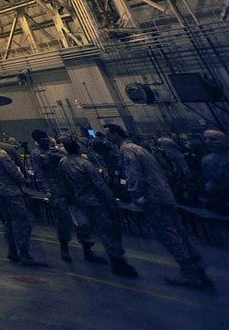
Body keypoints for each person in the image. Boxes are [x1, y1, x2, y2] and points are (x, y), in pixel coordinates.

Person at [105, 124, 214, 290]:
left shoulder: (127, 151)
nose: (107, 138)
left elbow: (134, 174)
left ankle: (189, 273)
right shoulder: (139, 148)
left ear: (115, 134)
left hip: (152, 199)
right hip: (164, 195)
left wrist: (135, 196)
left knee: (168, 235)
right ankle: (198, 267)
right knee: (180, 232)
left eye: (109, 135)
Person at [59, 136, 138, 278]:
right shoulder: (85, 164)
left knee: (90, 228)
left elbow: (64, 183)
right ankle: (117, 262)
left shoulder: (63, 162)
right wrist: (112, 202)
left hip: (80, 201)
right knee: (109, 231)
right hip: (96, 201)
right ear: (78, 148)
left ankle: (92, 252)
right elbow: (100, 184)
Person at [0, 128, 46, 267]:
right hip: (11, 191)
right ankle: (25, 254)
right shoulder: (0, 153)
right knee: (22, 221)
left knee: (7, 222)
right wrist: (22, 180)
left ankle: (12, 251)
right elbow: (14, 172)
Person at [30, 129, 100, 263]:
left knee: (81, 220)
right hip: (56, 190)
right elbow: (40, 174)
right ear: (37, 141)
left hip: (72, 188)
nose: (45, 140)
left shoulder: (59, 150)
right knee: (63, 221)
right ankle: (64, 249)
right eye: (42, 138)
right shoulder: (37, 155)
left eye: (46, 137)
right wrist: (47, 190)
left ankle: (87, 249)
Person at [200, 129, 229, 213]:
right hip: (220, 199)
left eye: (213, 139)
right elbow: (209, 178)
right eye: (205, 139)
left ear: (225, 141)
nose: (208, 141)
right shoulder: (205, 160)